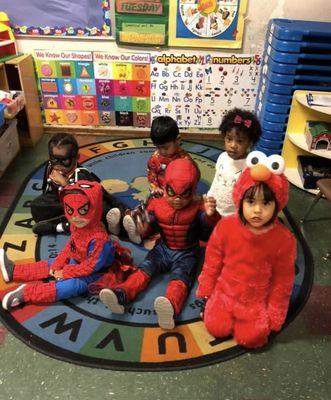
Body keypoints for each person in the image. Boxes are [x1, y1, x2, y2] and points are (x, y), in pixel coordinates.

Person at [99, 158, 218, 329]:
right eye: (172, 192)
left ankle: (170, 307)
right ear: (165, 188)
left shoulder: (199, 207)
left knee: (180, 280)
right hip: (162, 248)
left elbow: (209, 235)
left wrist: (210, 216)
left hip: (187, 252)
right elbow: (149, 228)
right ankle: (121, 294)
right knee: (143, 271)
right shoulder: (156, 204)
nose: (177, 200)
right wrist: (142, 227)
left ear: (193, 190)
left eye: (184, 194)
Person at [196, 151, 296, 348]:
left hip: (254, 302)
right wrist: (206, 289)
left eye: (266, 203)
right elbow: (212, 263)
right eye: (251, 202)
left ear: (277, 205)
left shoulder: (284, 240)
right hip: (224, 293)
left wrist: (275, 314)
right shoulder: (226, 226)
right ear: (240, 200)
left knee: (252, 339)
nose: (258, 210)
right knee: (215, 326)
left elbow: (283, 281)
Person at [0, 180, 116, 310]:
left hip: (97, 273)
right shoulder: (77, 226)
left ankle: (26, 294)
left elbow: (91, 267)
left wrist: (65, 272)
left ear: (95, 208)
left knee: (72, 286)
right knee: (52, 263)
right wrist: (58, 265)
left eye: (83, 210)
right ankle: (14, 271)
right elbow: (71, 246)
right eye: (70, 210)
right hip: (78, 260)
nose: (75, 217)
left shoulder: (99, 239)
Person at [108, 116, 194, 244]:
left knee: (158, 218)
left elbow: (191, 179)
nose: (161, 151)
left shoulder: (185, 161)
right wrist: (155, 188)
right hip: (157, 195)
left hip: (176, 198)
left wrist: (174, 195)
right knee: (145, 209)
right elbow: (152, 173)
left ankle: (141, 233)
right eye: (158, 147)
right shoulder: (156, 157)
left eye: (165, 148)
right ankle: (122, 220)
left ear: (178, 140)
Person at [30, 132, 126, 236]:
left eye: (65, 160)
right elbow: (46, 190)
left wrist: (64, 183)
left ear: (76, 157)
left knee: (101, 210)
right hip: (62, 204)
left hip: (83, 206)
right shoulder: (50, 167)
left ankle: (61, 227)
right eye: (54, 159)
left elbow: (102, 195)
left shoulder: (81, 174)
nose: (58, 165)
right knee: (36, 205)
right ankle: (70, 224)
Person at [208, 108, 262, 218]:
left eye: (240, 141)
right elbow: (216, 180)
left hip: (236, 215)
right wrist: (210, 196)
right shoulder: (222, 157)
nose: (233, 145)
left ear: (250, 143)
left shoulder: (250, 166)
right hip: (216, 209)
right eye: (229, 139)